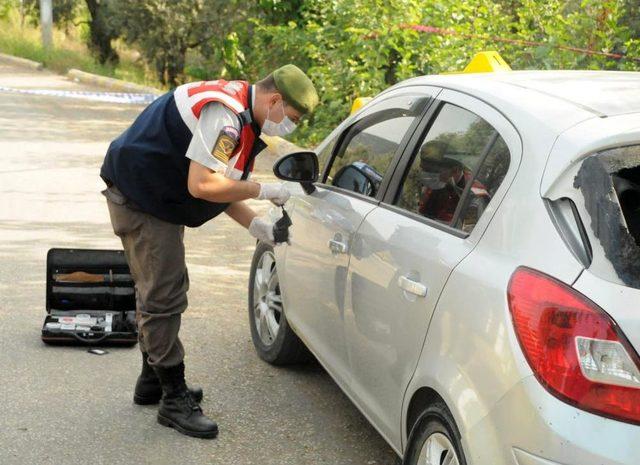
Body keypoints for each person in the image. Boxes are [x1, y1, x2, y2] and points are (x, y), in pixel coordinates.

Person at [99, 64, 319, 439]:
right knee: (163, 296)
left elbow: (223, 183)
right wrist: (261, 191)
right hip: (141, 198)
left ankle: (151, 380)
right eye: (292, 117)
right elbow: (203, 184)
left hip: (151, 193)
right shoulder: (227, 118)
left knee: (162, 287)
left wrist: (257, 225)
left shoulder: (240, 108)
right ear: (276, 100)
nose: (290, 126)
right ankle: (172, 399)